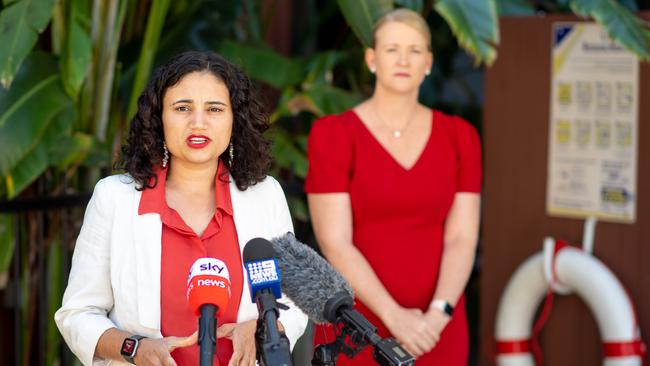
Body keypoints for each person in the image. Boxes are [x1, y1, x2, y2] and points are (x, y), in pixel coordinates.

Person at [55, 51, 307, 366]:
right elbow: (78, 314)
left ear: (234, 120)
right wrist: (135, 349)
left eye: (214, 109)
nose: (197, 122)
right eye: (182, 108)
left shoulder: (265, 195)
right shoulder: (114, 199)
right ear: (159, 118)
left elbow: (293, 300)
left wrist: (264, 328)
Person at [305, 8, 482, 365]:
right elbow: (335, 241)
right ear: (371, 59)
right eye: (391, 49)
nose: (403, 59)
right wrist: (394, 316)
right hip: (356, 325)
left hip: (437, 328)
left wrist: (437, 314)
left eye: (415, 50)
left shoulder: (460, 137)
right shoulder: (334, 135)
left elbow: (462, 237)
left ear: (428, 62)